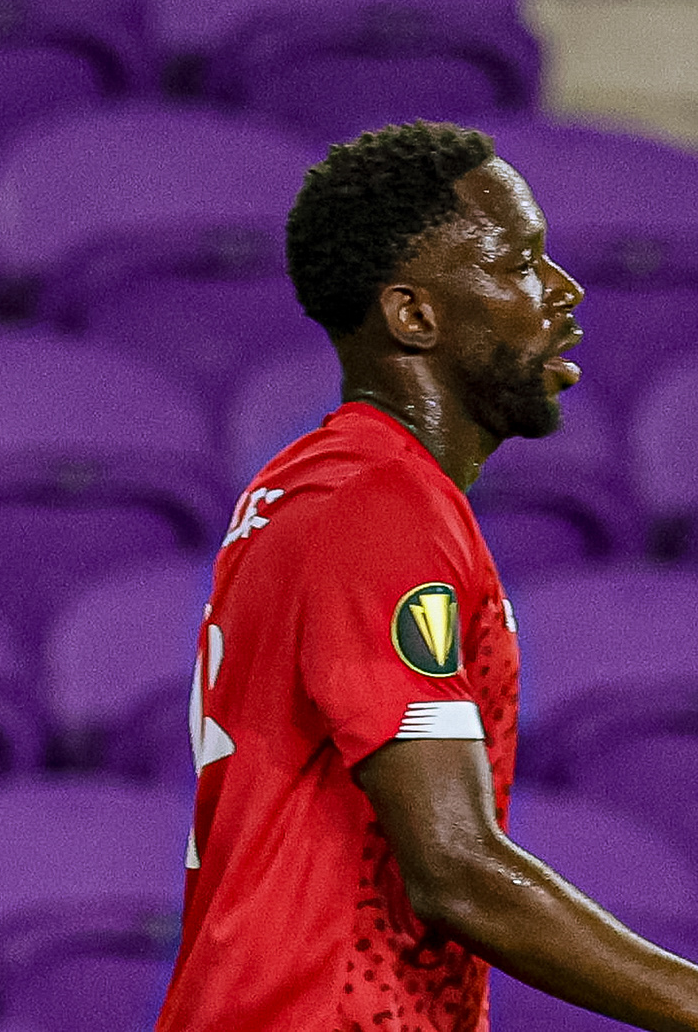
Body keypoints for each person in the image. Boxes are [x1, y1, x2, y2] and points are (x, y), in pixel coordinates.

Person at [158, 120, 698, 1031]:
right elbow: (456, 870)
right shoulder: (377, 505)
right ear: (415, 316)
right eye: (520, 262)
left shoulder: (318, 484)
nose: (561, 292)